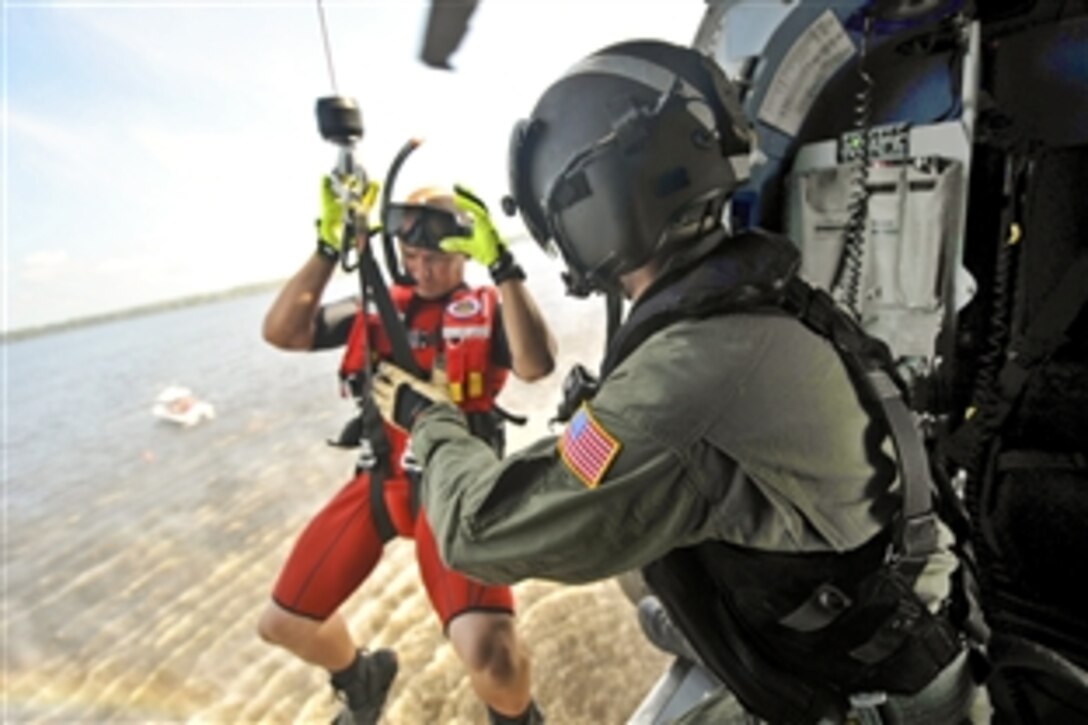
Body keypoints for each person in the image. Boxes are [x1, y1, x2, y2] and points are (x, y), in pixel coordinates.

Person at [371, 40, 985, 724]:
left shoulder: (687, 372)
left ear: (590, 204)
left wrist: (431, 421)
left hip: (872, 699)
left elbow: (480, 532)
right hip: (891, 636)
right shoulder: (763, 294)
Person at [257, 173, 555, 725]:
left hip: (454, 495)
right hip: (379, 484)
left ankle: (517, 719)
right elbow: (283, 331)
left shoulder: (487, 310)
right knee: (282, 623)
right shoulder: (374, 307)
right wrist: (328, 247)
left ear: (464, 252)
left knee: (498, 665)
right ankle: (361, 677)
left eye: (437, 258)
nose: (422, 270)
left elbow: (536, 364)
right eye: (411, 256)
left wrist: (505, 268)